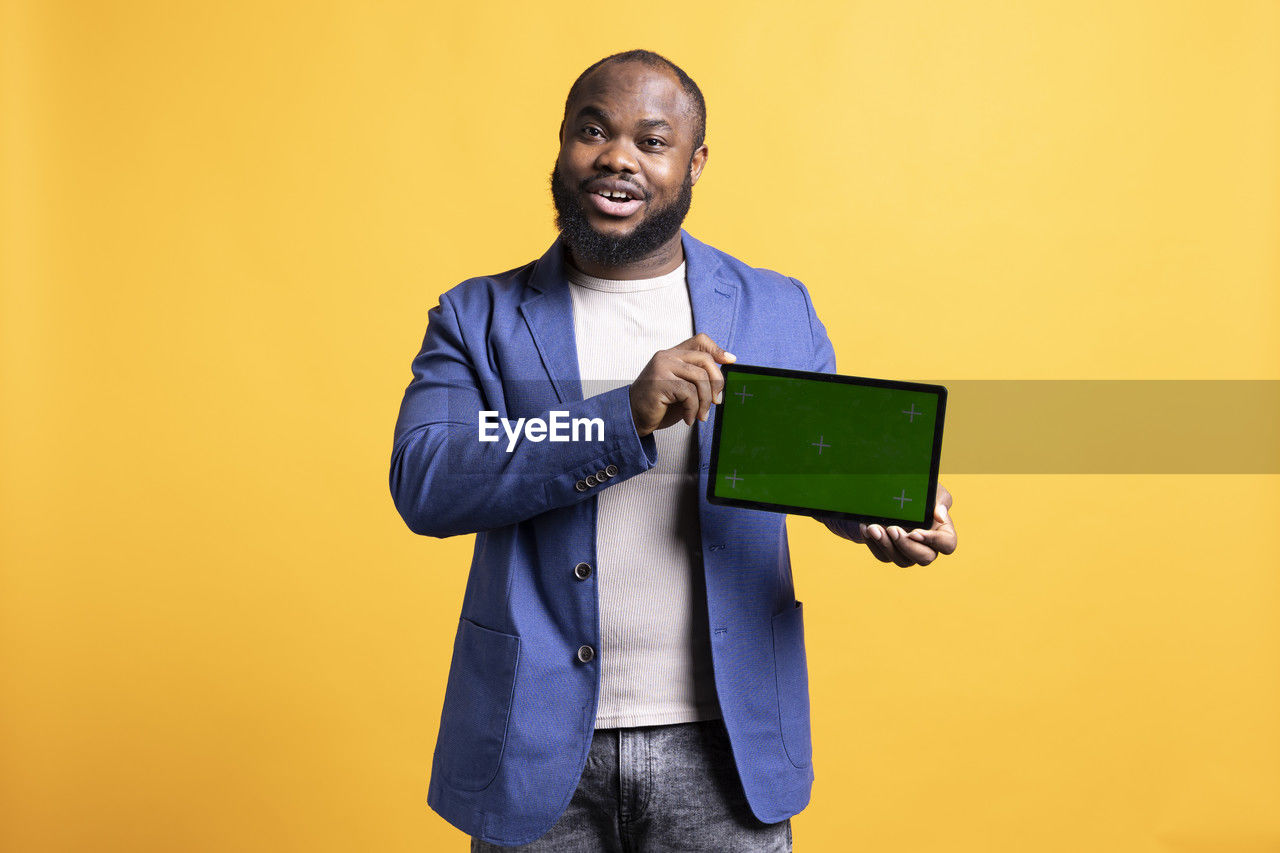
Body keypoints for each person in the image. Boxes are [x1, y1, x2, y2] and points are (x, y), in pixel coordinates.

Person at [390, 50, 958, 851]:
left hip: (726, 747)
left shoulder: (774, 306)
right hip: (535, 746)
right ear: (561, 145)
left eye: (651, 141)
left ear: (692, 165)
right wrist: (623, 414)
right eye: (594, 131)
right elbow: (428, 478)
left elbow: (816, 469)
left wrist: (882, 515)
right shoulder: (475, 315)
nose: (617, 155)